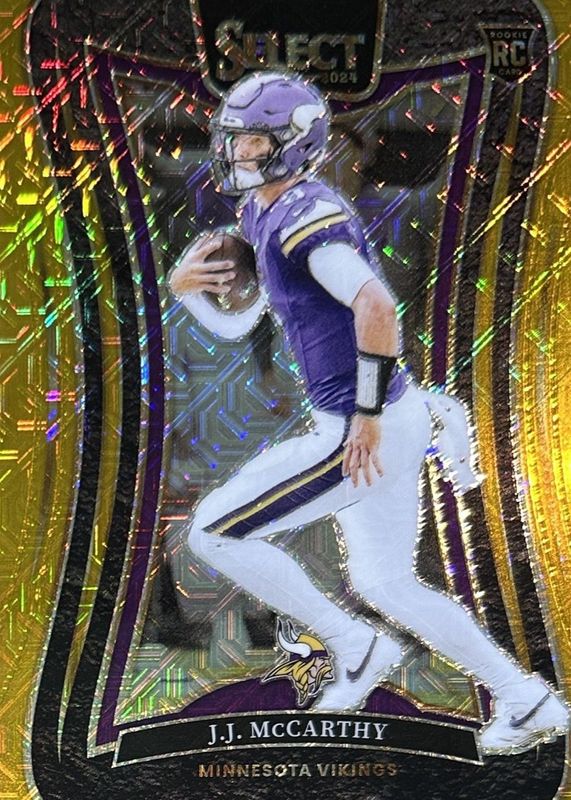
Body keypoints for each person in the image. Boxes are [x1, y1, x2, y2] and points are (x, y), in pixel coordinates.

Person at [169, 71, 568, 755]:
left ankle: (353, 644)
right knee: (386, 582)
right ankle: (527, 699)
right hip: (386, 416)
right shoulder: (267, 209)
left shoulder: (305, 220)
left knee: (213, 534)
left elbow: (376, 306)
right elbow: (242, 325)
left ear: (293, 143)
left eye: (254, 140)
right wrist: (187, 288)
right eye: (234, 139)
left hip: (361, 425)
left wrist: (365, 415)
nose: (237, 152)